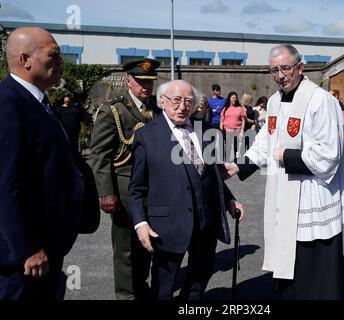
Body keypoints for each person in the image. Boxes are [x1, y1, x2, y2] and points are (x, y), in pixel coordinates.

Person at [224, 44, 344, 299]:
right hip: (282, 194)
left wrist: (288, 156)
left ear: (299, 67)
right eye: (274, 70)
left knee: (312, 269)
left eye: (285, 68)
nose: (280, 75)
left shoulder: (321, 101)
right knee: (287, 269)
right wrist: (240, 165)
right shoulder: (273, 101)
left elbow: (329, 155)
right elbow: (265, 141)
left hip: (312, 195)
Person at [128, 80, 244, 300]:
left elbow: (212, 176)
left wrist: (230, 200)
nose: (183, 106)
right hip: (167, 227)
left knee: (198, 282)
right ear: (163, 102)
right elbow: (137, 188)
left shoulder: (205, 131)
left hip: (206, 224)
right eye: (176, 100)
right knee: (163, 287)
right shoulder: (147, 136)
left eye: (188, 101)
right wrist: (140, 223)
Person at [0, 27, 93, 300]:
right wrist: (27, 247)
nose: (60, 62)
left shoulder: (38, 101)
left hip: (46, 247)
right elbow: (6, 184)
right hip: (23, 261)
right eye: (53, 55)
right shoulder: (8, 104)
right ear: (25, 59)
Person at [90, 58, 161, 300]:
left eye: (150, 82)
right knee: (126, 248)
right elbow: (99, 154)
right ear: (128, 81)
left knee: (146, 243)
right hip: (123, 185)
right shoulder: (114, 110)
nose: (146, 87)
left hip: (152, 188)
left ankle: (140, 288)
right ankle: (126, 295)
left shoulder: (157, 109)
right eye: (141, 82)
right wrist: (105, 192)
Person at [219, 91, 246, 161]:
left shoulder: (240, 108)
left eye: (235, 98)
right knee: (227, 148)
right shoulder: (225, 109)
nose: (234, 99)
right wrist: (221, 131)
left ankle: (235, 162)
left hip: (237, 130)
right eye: (233, 98)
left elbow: (243, 120)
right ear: (229, 99)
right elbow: (221, 121)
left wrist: (242, 130)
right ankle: (227, 162)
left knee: (235, 148)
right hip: (227, 130)